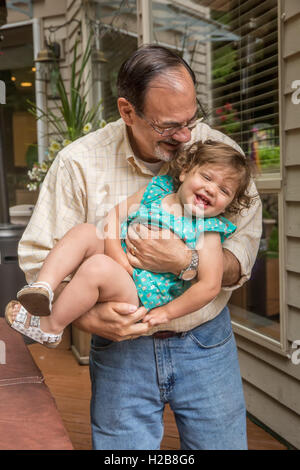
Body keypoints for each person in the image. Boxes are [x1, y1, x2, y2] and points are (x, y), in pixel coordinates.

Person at [9, 45, 262, 449]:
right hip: (121, 345)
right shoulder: (79, 161)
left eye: (191, 119)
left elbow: (240, 258)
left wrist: (187, 261)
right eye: (168, 125)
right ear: (128, 111)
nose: (185, 136)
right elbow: (40, 255)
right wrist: (89, 314)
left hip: (202, 339)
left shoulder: (220, 159)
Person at [6, 141, 255, 347]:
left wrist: (166, 313)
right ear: (184, 172)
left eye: (224, 190)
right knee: (85, 231)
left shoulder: (208, 230)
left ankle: (51, 327)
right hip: (121, 260)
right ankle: (43, 288)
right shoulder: (158, 189)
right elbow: (114, 216)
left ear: (230, 203)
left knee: (97, 267)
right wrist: (117, 254)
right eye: (207, 177)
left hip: (139, 290)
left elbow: (210, 286)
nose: (212, 189)